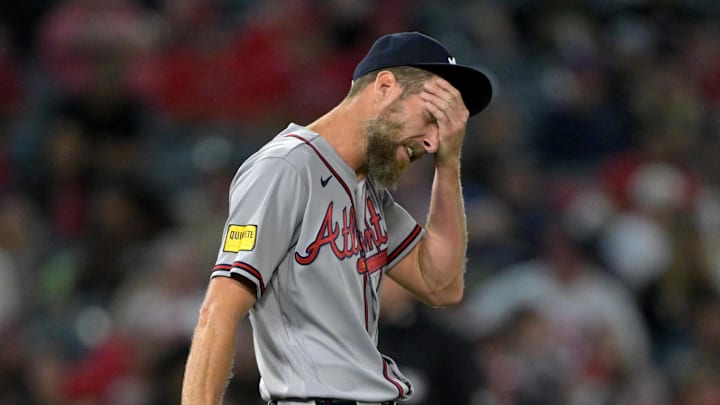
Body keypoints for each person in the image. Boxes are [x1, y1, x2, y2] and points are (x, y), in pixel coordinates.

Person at [181, 31, 493, 405]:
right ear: (384, 86)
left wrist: (448, 162)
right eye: (429, 118)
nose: (432, 141)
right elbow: (219, 309)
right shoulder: (285, 167)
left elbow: (441, 285)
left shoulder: (368, 187)